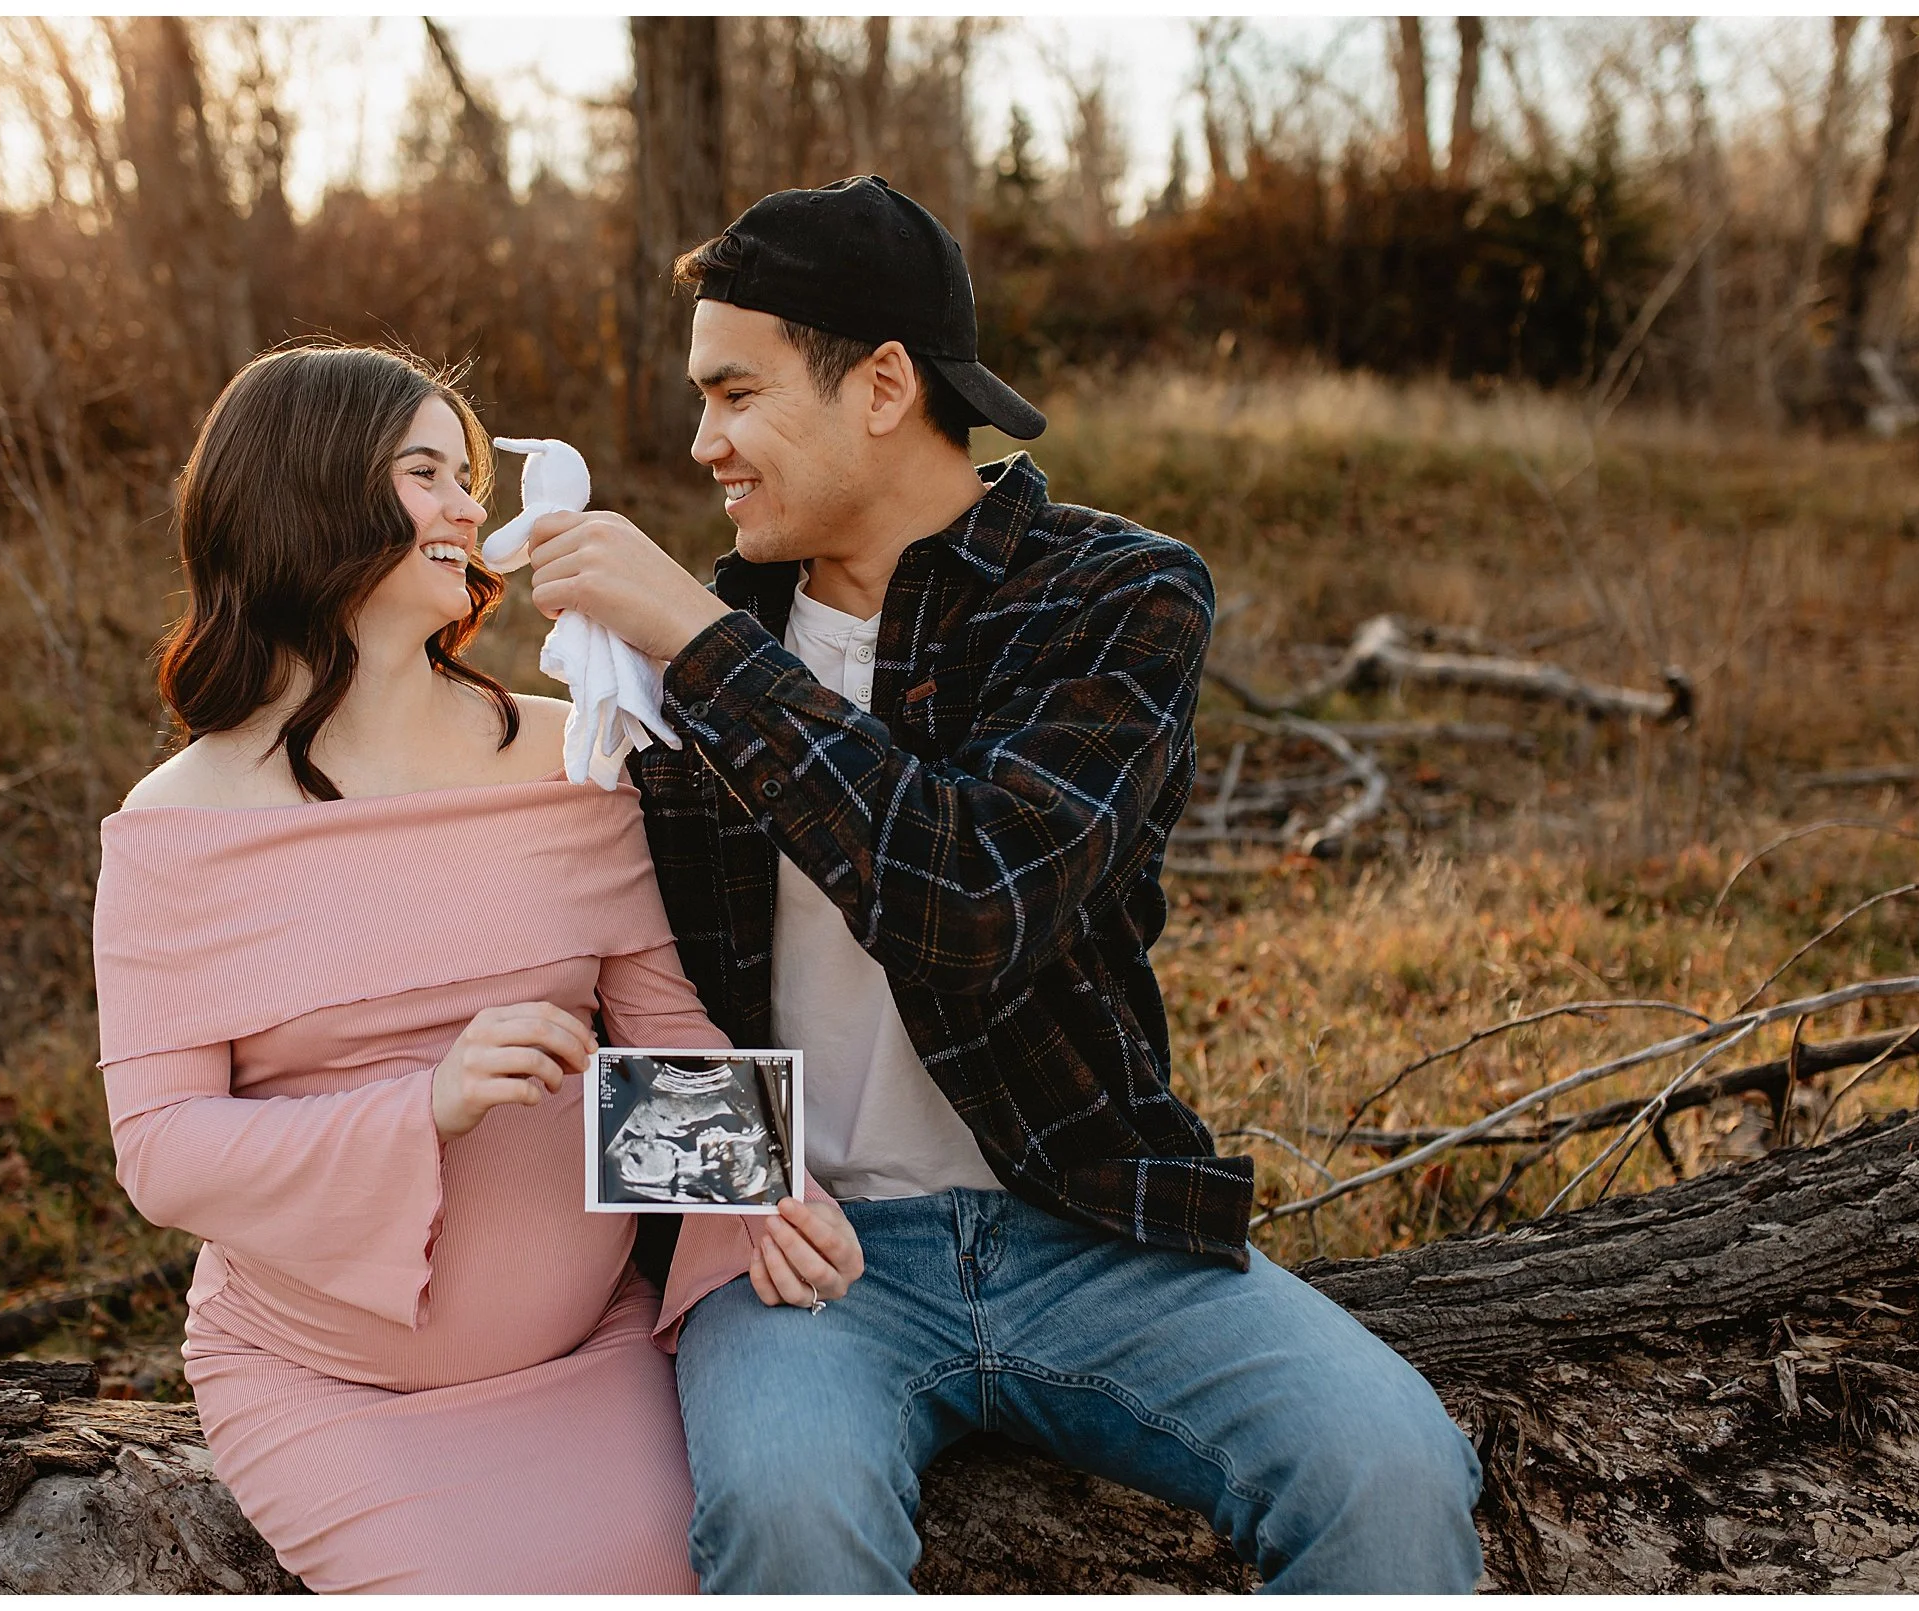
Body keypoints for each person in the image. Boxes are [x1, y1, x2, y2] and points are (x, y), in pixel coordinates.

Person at [520, 176, 1485, 1593]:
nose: (702, 441)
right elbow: (636, 979)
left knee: (1390, 1468)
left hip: (1089, 1224)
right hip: (808, 1258)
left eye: (736, 394)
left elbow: (975, 901)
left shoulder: (1114, 594)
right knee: (786, 1516)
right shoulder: (675, 655)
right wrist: (737, 1208)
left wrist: (708, 649)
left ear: (884, 385)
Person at [90, 344, 863, 1594]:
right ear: (308, 498)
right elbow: (162, 1153)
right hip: (332, 1390)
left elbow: (662, 1030)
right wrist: (429, 1106)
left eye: (469, 478)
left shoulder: (567, 757)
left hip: (590, 1357)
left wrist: (771, 1204)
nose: (468, 510)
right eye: (428, 476)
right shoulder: (178, 825)